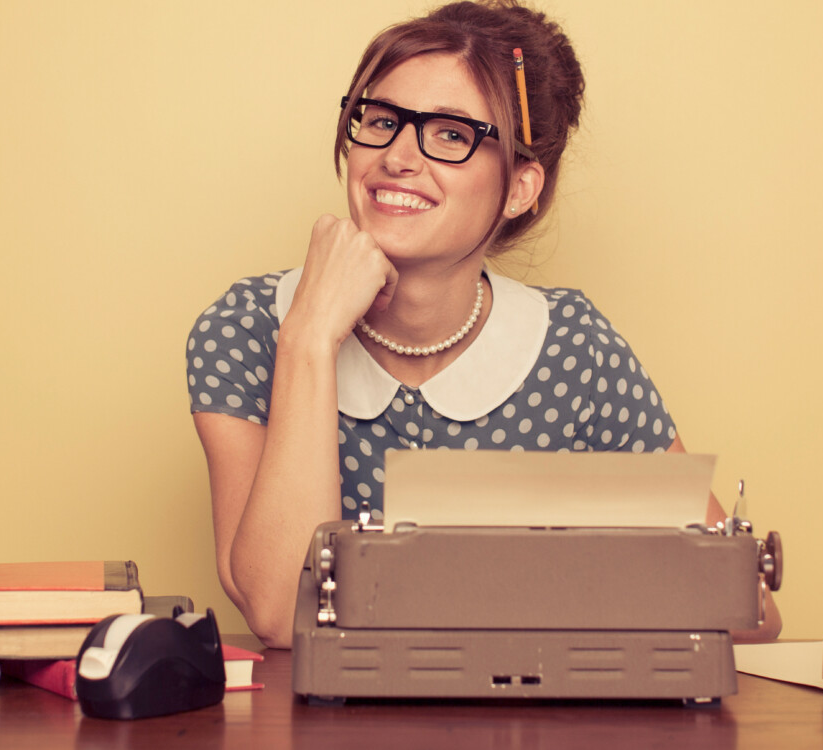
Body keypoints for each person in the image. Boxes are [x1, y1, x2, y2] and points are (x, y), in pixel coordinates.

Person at [186, 0, 780, 648]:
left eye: (449, 134)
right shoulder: (246, 330)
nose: (397, 157)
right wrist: (310, 335)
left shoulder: (575, 351)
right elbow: (279, 613)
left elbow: (748, 607)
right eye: (382, 121)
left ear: (522, 186)